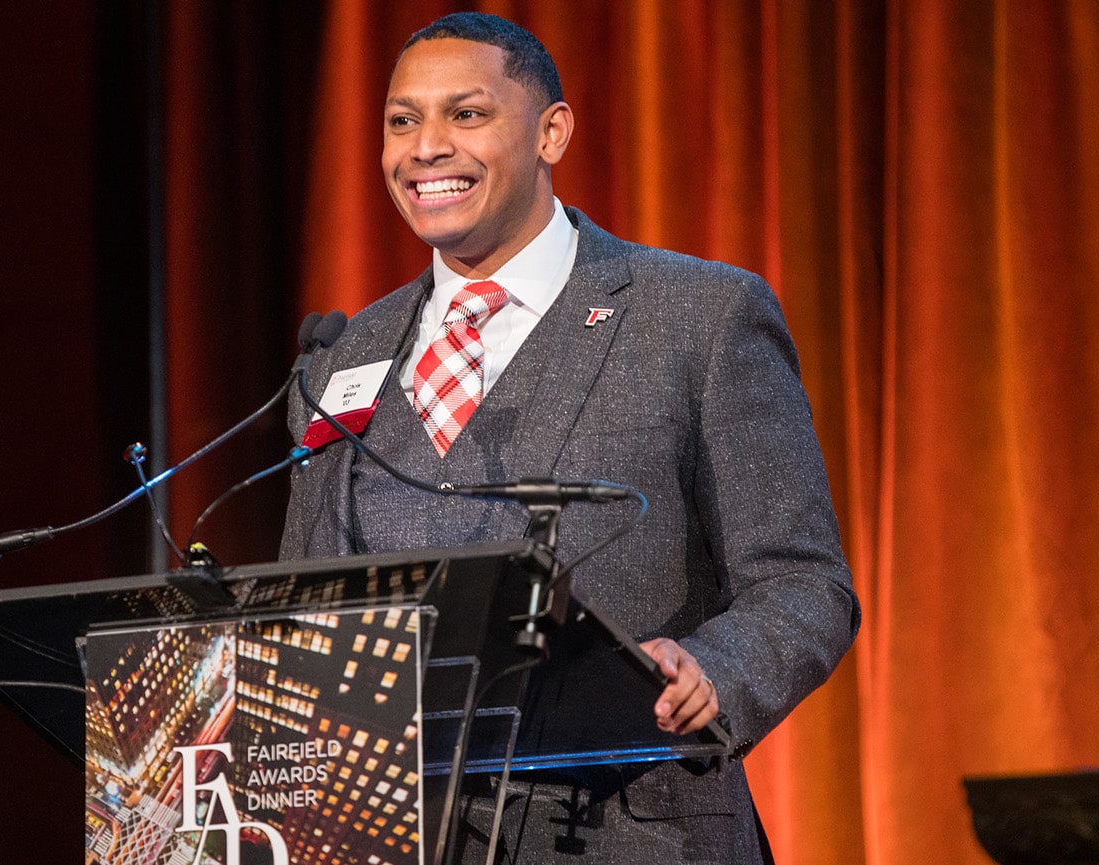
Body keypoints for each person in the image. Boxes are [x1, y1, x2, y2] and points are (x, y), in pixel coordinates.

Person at [281, 12, 859, 864]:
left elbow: (805, 583)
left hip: (629, 826)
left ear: (552, 131)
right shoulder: (344, 353)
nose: (425, 148)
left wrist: (711, 670)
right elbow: (299, 611)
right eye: (402, 120)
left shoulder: (698, 316)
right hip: (391, 835)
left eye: (466, 114)